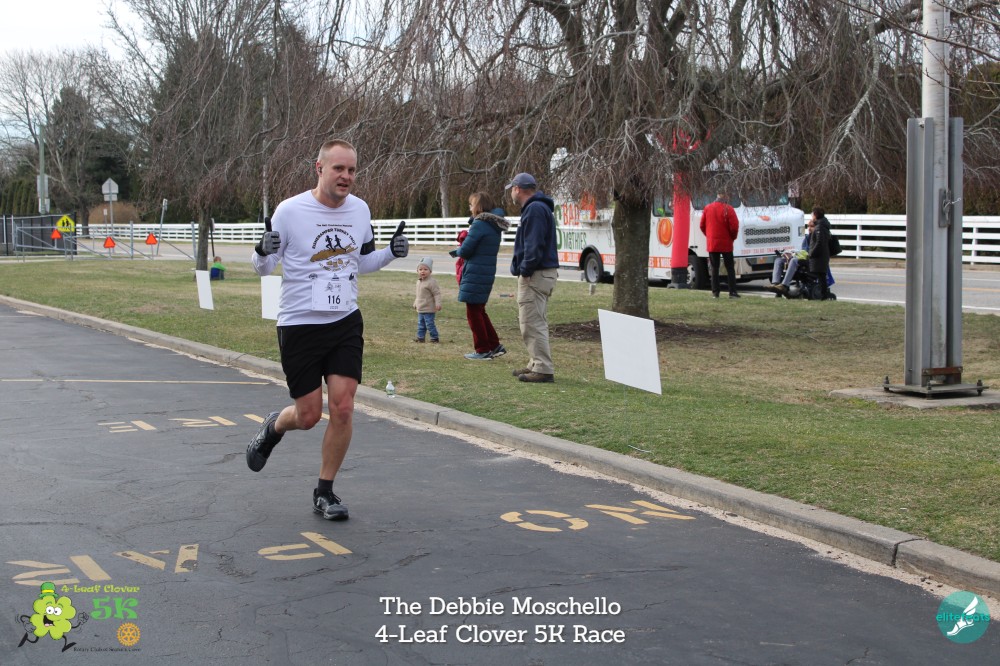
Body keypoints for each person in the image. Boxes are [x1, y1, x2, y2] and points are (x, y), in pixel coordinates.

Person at [246, 139, 409, 521]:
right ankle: (274, 426)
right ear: (319, 169)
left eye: (352, 170)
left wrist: (391, 253)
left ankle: (325, 491)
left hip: (344, 321)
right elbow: (264, 269)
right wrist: (262, 250)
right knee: (307, 416)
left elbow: (361, 262)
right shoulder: (290, 211)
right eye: (339, 168)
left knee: (343, 407)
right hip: (300, 324)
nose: (346, 176)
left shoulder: (360, 210)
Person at [506, 172, 559, 383]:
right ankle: (535, 363)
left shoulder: (535, 209)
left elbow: (533, 246)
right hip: (541, 272)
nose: (511, 193)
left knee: (531, 322)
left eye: (512, 189)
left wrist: (525, 270)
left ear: (517, 189)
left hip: (535, 274)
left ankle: (543, 368)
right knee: (535, 319)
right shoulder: (538, 207)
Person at [450, 191, 509, 360]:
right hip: (486, 272)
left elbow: (466, 250)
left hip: (476, 272)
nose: (470, 208)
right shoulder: (493, 225)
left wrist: (457, 251)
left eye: (471, 204)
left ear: (478, 206)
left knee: (473, 313)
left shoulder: (480, 224)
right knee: (479, 310)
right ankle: (494, 345)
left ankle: (483, 349)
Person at [699, 192, 740, 298]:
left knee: (714, 268)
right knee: (730, 268)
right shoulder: (729, 209)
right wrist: (732, 237)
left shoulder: (708, 208)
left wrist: (709, 235)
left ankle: (715, 292)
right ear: (726, 198)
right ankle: (732, 292)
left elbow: (702, 225)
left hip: (713, 243)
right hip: (726, 242)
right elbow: (734, 226)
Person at [413, 257, 442, 343]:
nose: (423, 271)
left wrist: (438, 303)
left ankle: (434, 338)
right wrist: (415, 303)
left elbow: (437, 294)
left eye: (425, 269)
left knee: (429, 324)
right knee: (421, 324)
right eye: (420, 269)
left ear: (430, 271)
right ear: (417, 271)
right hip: (420, 308)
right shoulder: (418, 282)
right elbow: (418, 295)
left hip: (429, 308)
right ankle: (420, 338)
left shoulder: (432, 282)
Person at [807, 206, 832, 300]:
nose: (812, 216)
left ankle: (822, 295)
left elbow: (819, 243)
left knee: (820, 276)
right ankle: (823, 295)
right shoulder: (821, 225)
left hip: (819, 256)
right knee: (821, 276)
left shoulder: (819, 227)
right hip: (822, 255)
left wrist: (812, 253)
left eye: (812, 214)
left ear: (816, 215)